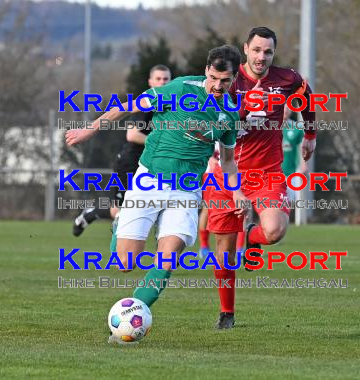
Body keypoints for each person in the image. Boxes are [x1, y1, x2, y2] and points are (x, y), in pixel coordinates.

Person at [65, 45, 248, 341]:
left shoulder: (229, 114)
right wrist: (92, 128)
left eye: (225, 81)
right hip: (149, 181)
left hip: (186, 191)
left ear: (234, 79)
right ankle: (118, 220)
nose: (217, 86)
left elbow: (228, 161)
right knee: (123, 264)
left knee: (168, 258)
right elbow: (128, 106)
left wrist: (236, 191)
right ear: (206, 71)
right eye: (214, 78)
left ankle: (128, 322)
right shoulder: (178, 88)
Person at [207, 27, 317, 329]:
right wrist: (241, 113)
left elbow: (306, 96)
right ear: (246, 49)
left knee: (275, 231)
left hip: (267, 173)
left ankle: (253, 237)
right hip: (226, 173)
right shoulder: (228, 80)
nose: (261, 57)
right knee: (225, 250)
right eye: (256, 50)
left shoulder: (286, 79)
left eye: (268, 52)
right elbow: (210, 117)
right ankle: (226, 313)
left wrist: (310, 134)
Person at [72, 65, 172, 237]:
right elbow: (132, 135)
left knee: (143, 209)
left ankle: (92, 214)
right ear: (150, 82)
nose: (162, 82)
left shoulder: (170, 104)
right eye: (158, 79)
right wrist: (160, 144)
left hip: (152, 166)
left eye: (165, 79)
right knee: (122, 212)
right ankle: (92, 215)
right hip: (130, 164)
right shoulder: (146, 103)